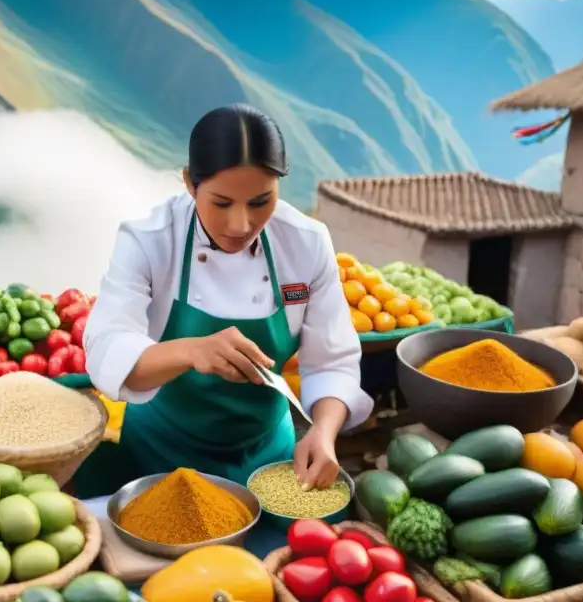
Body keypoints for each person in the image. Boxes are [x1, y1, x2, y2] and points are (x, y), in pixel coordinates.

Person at [74, 104, 373, 499]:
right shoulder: (149, 240)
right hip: (157, 459)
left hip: (268, 460)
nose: (241, 225)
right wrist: (191, 350)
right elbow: (106, 349)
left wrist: (324, 432)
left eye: (260, 201)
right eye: (221, 203)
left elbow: (332, 360)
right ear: (189, 183)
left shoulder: (306, 242)